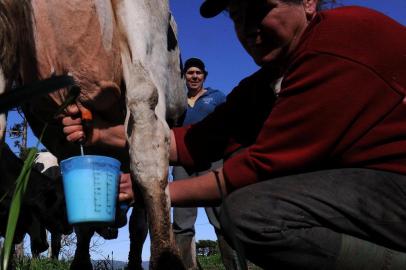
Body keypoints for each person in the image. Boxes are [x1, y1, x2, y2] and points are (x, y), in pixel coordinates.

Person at [62, 0, 406, 269]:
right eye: (237, 16)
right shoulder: (267, 82)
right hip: (374, 189)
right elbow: (194, 142)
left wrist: (153, 191)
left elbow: (254, 171)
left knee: (252, 213)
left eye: (260, 9)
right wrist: (99, 135)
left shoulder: (339, 42)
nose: (248, 28)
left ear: (308, 2)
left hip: (396, 185)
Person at [172, 57, 232, 270]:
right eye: (190, 73)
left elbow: (228, 125)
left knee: (221, 218)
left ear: (204, 76)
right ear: (184, 77)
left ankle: (233, 266)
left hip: (212, 161)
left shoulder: (217, 97)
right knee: (182, 221)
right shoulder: (177, 101)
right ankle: (188, 266)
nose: (194, 76)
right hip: (182, 163)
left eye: (198, 72)